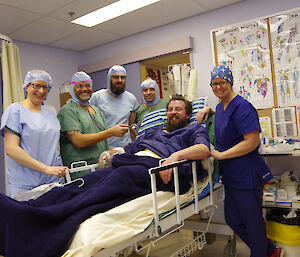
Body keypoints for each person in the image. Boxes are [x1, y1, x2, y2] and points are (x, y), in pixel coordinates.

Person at [0, 95, 210, 257]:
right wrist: (111, 152)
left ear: (187, 114)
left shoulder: (191, 131)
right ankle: (28, 209)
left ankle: (46, 220)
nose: (173, 112)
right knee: (84, 183)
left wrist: (175, 157)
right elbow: (128, 149)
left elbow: (203, 149)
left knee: (115, 180)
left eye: (178, 109)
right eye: (171, 109)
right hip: (132, 162)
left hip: (158, 168)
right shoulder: (152, 132)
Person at [196, 65, 281, 257]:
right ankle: (269, 250)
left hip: (246, 173)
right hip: (231, 174)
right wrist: (208, 109)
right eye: (214, 84)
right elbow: (227, 123)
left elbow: (252, 141)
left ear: (230, 82)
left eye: (222, 82)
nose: (218, 87)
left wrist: (221, 155)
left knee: (252, 221)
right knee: (233, 219)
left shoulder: (243, 106)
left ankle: (261, 253)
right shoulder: (220, 107)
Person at [0, 70, 68, 199]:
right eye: (36, 85)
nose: (41, 91)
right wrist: (46, 169)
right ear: (26, 86)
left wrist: (56, 169)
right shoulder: (15, 111)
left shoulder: (51, 113)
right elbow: (11, 149)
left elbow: (52, 148)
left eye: (45, 87)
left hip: (53, 181)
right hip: (26, 185)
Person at [57, 71, 128, 179]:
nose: (84, 89)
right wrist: (110, 132)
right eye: (79, 86)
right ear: (72, 89)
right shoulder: (67, 111)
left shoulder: (96, 110)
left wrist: (108, 155)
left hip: (100, 169)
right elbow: (78, 141)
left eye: (87, 85)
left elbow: (104, 142)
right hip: (80, 173)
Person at [90, 65, 139, 148]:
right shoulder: (96, 97)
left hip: (125, 147)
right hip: (104, 147)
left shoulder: (131, 98)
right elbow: (91, 126)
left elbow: (131, 127)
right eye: (116, 77)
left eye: (122, 77)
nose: (119, 80)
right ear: (109, 79)